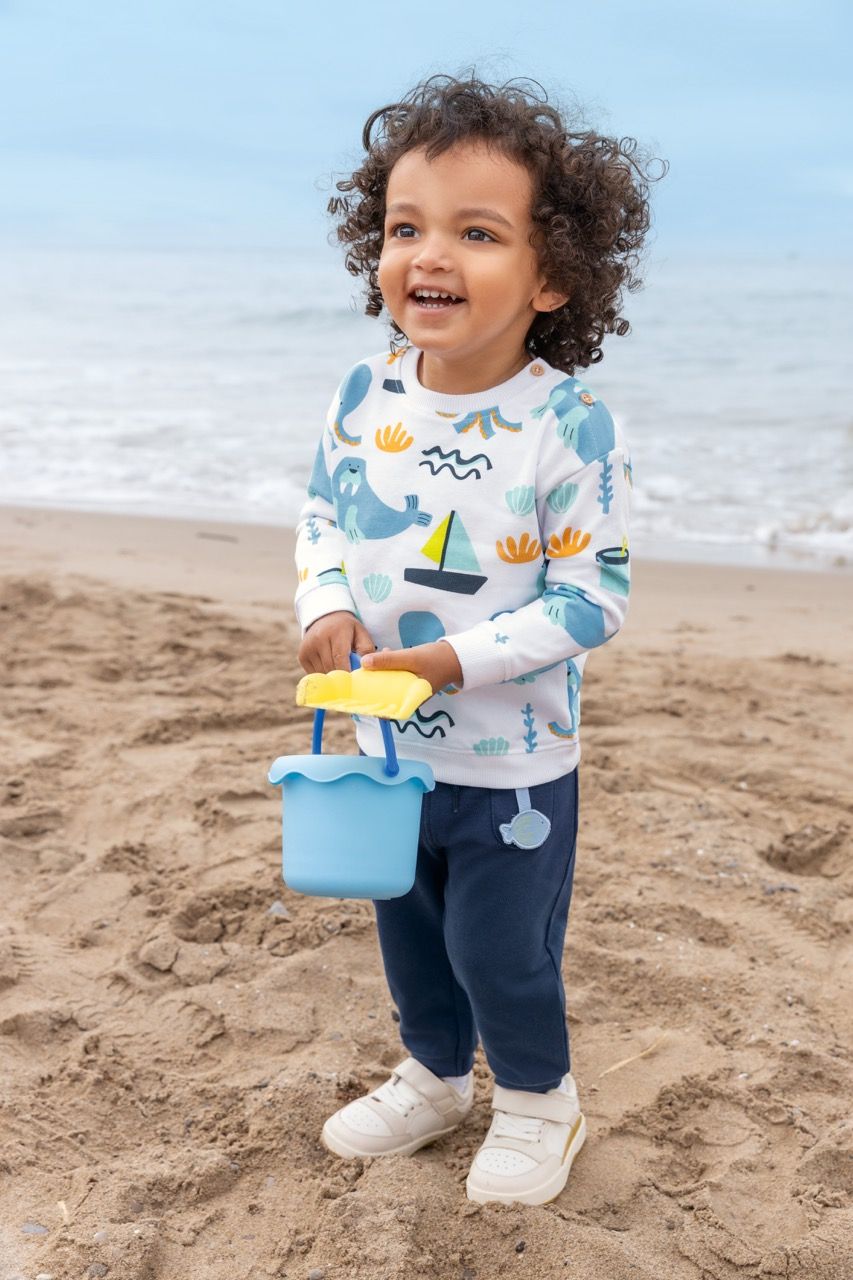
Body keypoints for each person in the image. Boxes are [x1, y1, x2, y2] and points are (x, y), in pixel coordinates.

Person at [293, 74, 662, 1206]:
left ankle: (541, 1100)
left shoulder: (567, 424)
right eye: (405, 227)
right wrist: (323, 605)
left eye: (477, 232)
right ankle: (436, 1073)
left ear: (552, 277)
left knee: (500, 949)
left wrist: (451, 661)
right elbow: (322, 517)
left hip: (513, 762)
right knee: (408, 933)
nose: (430, 255)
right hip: (387, 747)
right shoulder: (365, 393)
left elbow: (592, 599)